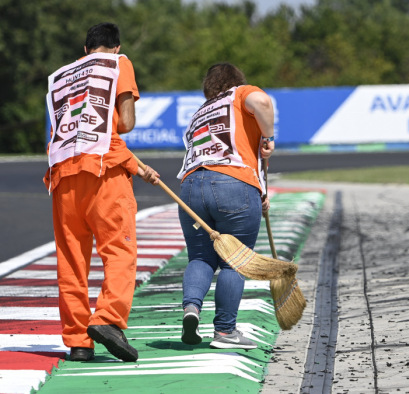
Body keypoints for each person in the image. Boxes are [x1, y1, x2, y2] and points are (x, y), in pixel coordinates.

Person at [44, 22, 160, 362]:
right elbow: (123, 124)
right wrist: (131, 163)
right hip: (103, 174)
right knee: (119, 251)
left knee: (71, 262)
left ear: (84, 51)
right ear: (116, 46)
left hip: (62, 177)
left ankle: (79, 341)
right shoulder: (118, 62)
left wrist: (135, 165)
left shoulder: (63, 76)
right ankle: (108, 319)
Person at [177, 62, 275, 349]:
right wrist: (268, 137)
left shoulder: (199, 113)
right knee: (234, 261)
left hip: (191, 187)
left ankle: (191, 309)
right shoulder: (240, 94)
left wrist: (260, 191)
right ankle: (224, 331)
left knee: (200, 258)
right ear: (235, 81)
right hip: (233, 184)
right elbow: (262, 101)